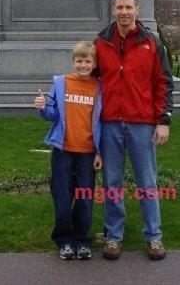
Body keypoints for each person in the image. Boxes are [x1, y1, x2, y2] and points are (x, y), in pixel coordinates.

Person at [94, 0, 174, 261]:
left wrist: (163, 120)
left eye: (129, 7)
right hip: (110, 124)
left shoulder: (151, 43)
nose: (124, 12)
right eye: (120, 7)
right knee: (112, 182)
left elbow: (163, 84)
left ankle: (153, 236)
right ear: (113, 9)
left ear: (137, 10)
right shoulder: (100, 42)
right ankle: (113, 236)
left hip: (142, 123)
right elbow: (89, 80)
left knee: (147, 182)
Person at [34, 41, 102, 260]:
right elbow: (53, 113)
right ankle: (64, 240)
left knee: (84, 199)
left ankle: (81, 240)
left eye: (87, 61)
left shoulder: (99, 87)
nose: (83, 65)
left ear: (94, 64)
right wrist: (43, 107)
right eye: (79, 61)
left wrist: (100, 152)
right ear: (73, 62)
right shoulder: (61, 83)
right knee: (62, 198)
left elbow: (102, 122)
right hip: (63, 151)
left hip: (87, 153)